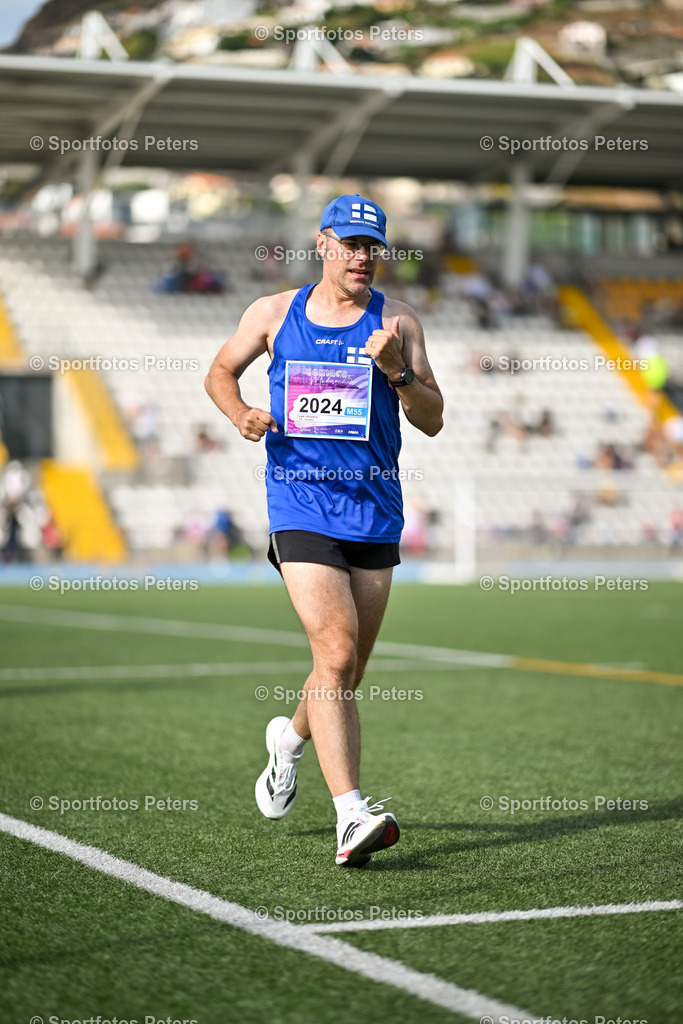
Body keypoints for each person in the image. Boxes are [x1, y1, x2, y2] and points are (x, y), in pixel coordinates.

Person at [205, 194, 443, 866]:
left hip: (374, 508)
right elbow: (219, 373)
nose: (362, 257)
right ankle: (350, 815)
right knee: (335, 654)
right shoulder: (272, 313)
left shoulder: (398, 321)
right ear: (322, 244)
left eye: (372, 247)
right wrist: (241, 413)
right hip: (300, 503)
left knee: (345, 669)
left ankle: (287, 742)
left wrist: (397, 371)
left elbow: (432, 418)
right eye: (350, 244)